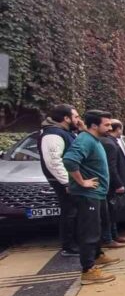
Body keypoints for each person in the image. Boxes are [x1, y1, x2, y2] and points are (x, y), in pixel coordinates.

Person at [62, 110, 121, 285]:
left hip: (97, 193)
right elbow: (69, 161)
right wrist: (82, 182)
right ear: (94, 125)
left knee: (100, 224)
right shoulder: (86, 140)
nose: (110, 127)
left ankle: (97, 255)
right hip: (88, 194)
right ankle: (88, 270)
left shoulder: (89, 137)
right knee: (90, 231)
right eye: (107, 124)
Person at [37, 104, 80, 257]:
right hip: (65, 181)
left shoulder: (64, 132)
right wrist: (66, 182)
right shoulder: (53, 134)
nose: (78, 119)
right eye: (75, 116)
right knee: (70, 212)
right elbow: (53, 161)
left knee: (74, 211)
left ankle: (75, 242)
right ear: (66, 118)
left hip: (71, 179)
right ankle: (69, 246)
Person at [99, 120, 125, 248]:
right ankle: (108, 238)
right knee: (108, 212)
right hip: (111, 185)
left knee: (112, 211)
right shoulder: (108, 143)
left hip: (111, 183)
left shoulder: (111, 142)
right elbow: (111, 167)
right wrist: (118, 184)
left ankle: (114, 235)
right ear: (118, 129)